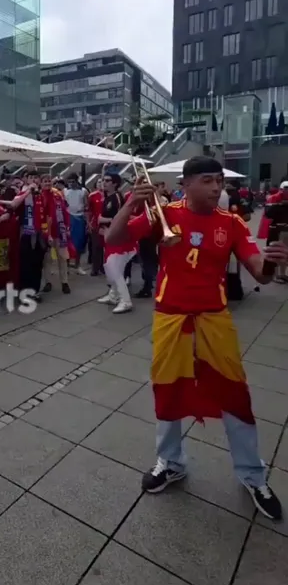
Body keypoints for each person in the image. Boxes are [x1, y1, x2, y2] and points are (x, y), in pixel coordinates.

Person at [106, 155, 288, 520]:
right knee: (168, 389)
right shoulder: (164, 214)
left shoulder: (233, 223)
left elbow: (260, 274)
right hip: (170, 317)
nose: (216, 187)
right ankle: (171, 463)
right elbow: (113, 238)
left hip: (214, 319)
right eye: (207, 180)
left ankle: (252, 474)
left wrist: (274, 261)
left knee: (234, 393)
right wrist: (131, 204)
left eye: (218, 181)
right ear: (186, 183)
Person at [98, 172, 136, 313]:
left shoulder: (117, 198)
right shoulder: (109, 197)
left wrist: (103, 220)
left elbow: (121, 218)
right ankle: (113, 295)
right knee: (112, 268)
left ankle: (125, 301)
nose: (104, 182)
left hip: (119, 240)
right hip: (110, 237)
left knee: (114, 269)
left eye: (107, 180)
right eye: (103, 180)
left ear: (115, 183)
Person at [17, 169, 46, 300]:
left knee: (37, 264)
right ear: (26, 180)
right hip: (26, 234)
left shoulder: (42, 195)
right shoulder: (22, 193)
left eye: (36, 177)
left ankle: (35, 290)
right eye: (31, 177)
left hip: (39, 235)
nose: (34, 180)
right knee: (26, 264)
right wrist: (28, 191)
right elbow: (15, 206)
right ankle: (25, 292)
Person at [40, 174, 71, 295]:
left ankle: (65, 282)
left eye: (49, 181)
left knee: (62, 258)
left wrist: (67, 227)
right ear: (41, 183)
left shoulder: (58, 195)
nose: (47, 183)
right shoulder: (39, 196)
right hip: (45, 232)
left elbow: (65, 211)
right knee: (47, 259)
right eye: (45, 181)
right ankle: (48, 282)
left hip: (59, 231)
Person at [64, 173, 88, 274]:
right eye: (69, 182)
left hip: (79, 218)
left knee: (79, 243)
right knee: (67, 243)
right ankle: (66, 266)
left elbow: (86, 205)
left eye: (73, 182)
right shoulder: (65, 191)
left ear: (77, 181)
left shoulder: (83, 191)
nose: (71, 184)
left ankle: (77, 266)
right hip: (69, 218)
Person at [88, 178, 104, 276]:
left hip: (107, 225)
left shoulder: (109, 196)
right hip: (95, 224)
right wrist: (88, 223)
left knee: (104, 247)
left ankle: (103, 267)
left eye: (103, 182)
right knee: (96, 247)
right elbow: (88, 210)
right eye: (99, 182)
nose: (101, 184)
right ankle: (95, 268)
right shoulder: (92, 196)